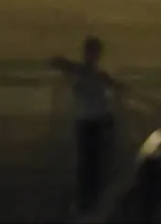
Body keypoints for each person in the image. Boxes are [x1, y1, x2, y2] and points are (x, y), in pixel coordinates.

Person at [50, 36, 121, 214]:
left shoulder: (96, 74)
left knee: (95, 163)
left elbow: (113, 86)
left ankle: (92, 200)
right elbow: (57, 62)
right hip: (89, 121)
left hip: (97, 120)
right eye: (92, 52)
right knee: (88, 163)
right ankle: (87, 200)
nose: (93, 56)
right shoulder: (83, 72)